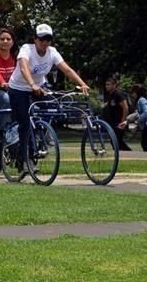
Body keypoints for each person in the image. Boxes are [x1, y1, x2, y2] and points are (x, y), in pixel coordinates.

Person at [9, 23, 90, 171]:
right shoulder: (27, 49)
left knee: (54, 108)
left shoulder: (52, 52)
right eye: (42, 39)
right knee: (24, 123)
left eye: (48, 39)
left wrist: (82, 84)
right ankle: (25, 159)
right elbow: (23, 67)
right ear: (35, 39)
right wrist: (32, 84)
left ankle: (41, 133)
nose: (45, 42)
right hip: (19, 88)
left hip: (39, 88)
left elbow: (67, 69)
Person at [124, 85, 147, 152]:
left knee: (145, 144)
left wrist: (138, 120)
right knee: (144, 143)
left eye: (133, 92)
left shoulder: (142, 100)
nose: (132, 94)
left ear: (137, 92)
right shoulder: (139, 100)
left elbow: (146, 112)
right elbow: (138, 113)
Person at [102, 76, 132, 151]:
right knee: (116, 141)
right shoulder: (111, 95)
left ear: (114, 85)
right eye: (106, 84)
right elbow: (110, 104)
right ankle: (126, 153)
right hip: (112, 122)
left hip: (118, 122)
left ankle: (127, 153)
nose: (106, 86)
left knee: (115, 141)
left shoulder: (118, 94)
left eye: (108, 84)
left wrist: (123, 121)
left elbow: (125, 108)